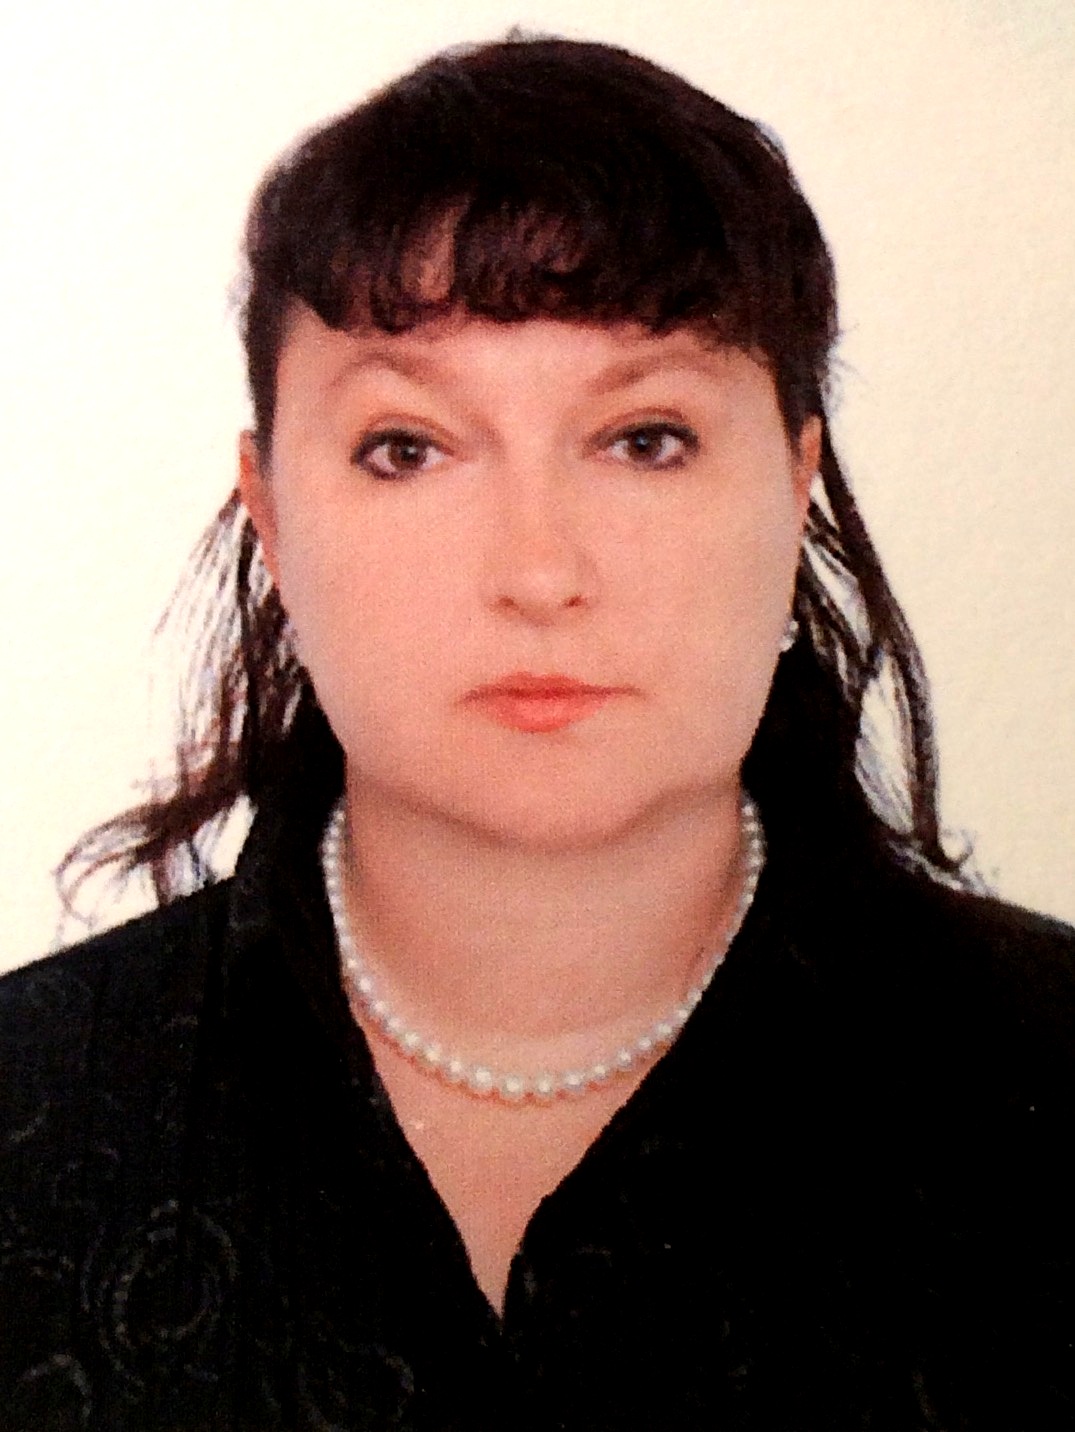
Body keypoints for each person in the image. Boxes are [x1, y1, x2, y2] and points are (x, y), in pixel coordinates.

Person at [1, 34, 1071, 1432]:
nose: (540, 571)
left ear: (796, 481)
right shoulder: (32, 1108)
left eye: (645, 439)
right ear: (270, 515)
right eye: (408, 447)